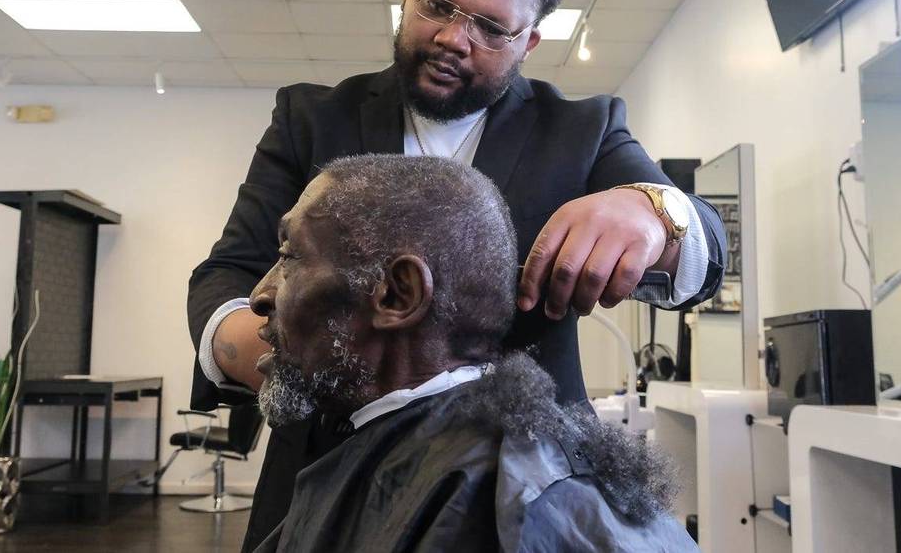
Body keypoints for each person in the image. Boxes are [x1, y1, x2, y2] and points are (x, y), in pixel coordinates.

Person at [186, 0, 726, 550]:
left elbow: (702, 248)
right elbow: (228, 276)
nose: (452, 38)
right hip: (323, 474)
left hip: (517, 486)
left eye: (490, 27)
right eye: (437, 6)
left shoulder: (580, 133)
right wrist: (298, 367)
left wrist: (651, 213)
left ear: (527, 39)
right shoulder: (313, 118)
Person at [249, 154, 696, 551]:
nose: (259, 296)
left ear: (397, 296)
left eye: (289, 257)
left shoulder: (529, 502)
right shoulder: (381, 440)